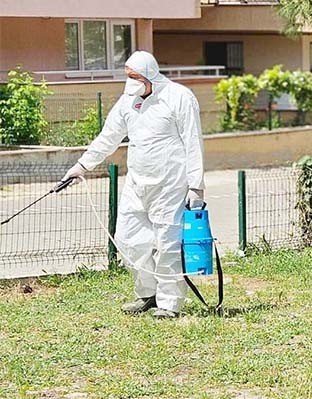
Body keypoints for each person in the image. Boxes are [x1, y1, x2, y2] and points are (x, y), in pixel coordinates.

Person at [61, 50, 205, 318]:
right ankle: (147, 293)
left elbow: (193, 142)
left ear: (151, 74)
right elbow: (108, 137)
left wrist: (196, 186)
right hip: (137, 184)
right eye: (128, 76)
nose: (131, 82)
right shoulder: (129, 101)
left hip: (170, 185)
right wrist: (81, 167)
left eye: (136, 77)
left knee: (167, 244)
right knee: (127, 240)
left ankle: (169, 303)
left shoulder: (179, 97)